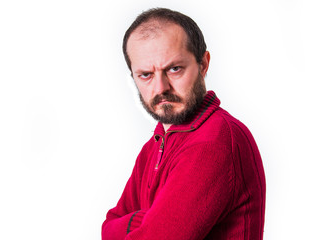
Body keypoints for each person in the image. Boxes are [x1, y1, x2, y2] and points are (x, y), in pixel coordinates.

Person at [102, 8, 266, 240]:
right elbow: (107, 228)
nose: (160, 88)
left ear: (203, 64)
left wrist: (141, 223)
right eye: (146, 75)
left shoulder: (214, 141)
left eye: (174, 69)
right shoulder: (155, 144)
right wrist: (147, 221)